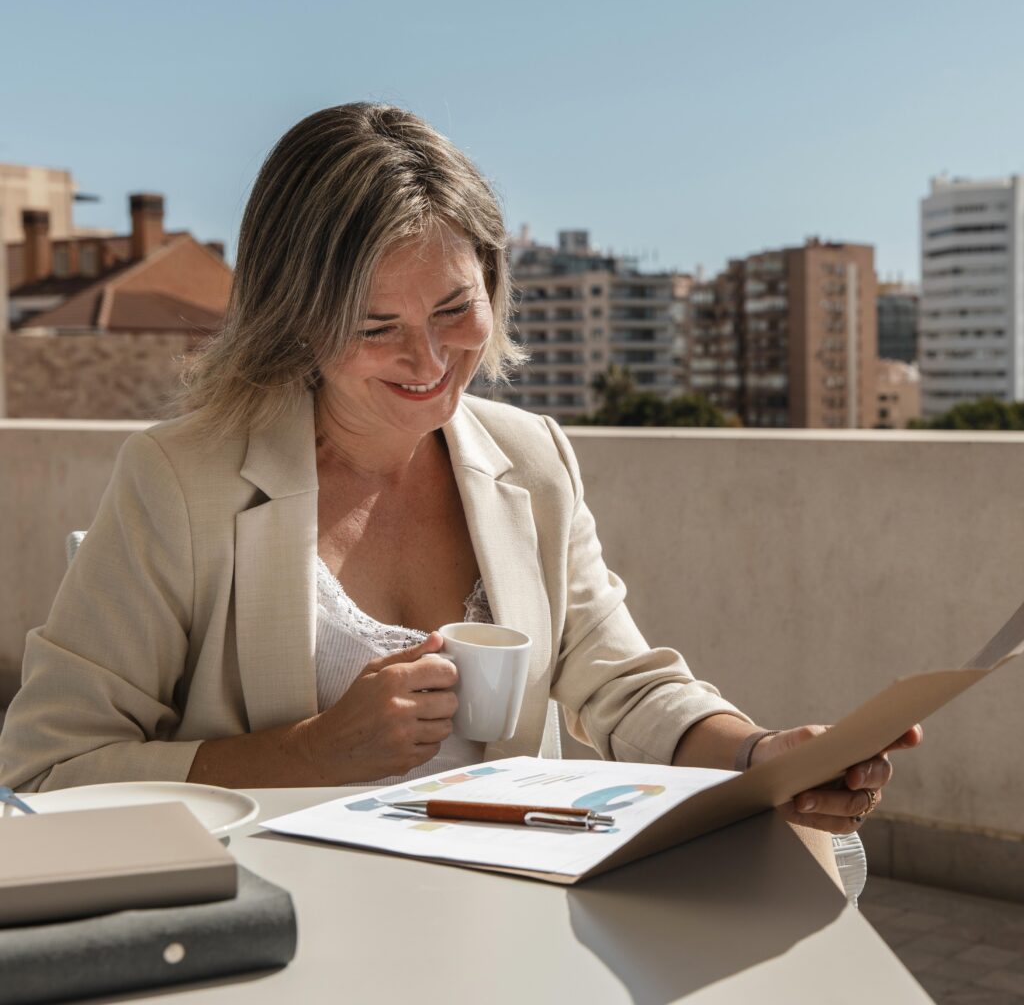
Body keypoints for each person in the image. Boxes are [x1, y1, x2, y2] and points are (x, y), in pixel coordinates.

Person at [0, 104, 919, 855]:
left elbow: (621, 685)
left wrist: (763, 755)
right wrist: (306, 755)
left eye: (454, 309)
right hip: (283, 927)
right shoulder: (179, 481)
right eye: (376, 326)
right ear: (296, 320)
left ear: (494, 284)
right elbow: (46, 768)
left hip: (506, 905)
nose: (430, 360)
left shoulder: (534, 457)